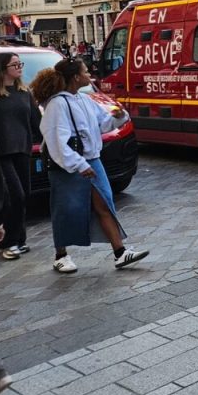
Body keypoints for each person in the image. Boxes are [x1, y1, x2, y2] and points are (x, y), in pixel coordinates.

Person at [31, 60, 148, 274]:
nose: (90, 75)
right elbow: (56, 140)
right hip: (69, 165)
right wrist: (78, 164)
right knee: (66, 208)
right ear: (76, 77)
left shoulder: (84, 99)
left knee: (104, 203)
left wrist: (118, 118)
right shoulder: (57, 104)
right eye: (86, 72)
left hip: (92, 159)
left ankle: (120, 252)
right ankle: (61, 255)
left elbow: (101, 123)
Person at [0, 52, 42, 260]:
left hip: (23, 149)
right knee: (15, 195)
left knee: (25, 194)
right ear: (3, 69)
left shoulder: (25, 92)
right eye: (15, 64)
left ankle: (19, 240)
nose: (20, 67)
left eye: (20, 63)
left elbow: (36, 122)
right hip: (1, 152)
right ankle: (10, 242)